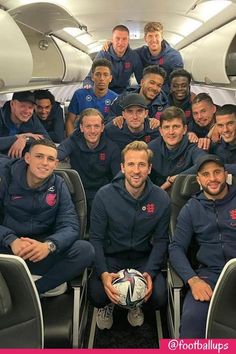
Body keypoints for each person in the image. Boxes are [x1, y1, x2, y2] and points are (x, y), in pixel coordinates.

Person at [89, 141, 170, 330]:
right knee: (97, 295)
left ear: (149, 168)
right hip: (112, 257)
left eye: (142, 164)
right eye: (131, 164)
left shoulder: (161, 198)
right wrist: (103, 274)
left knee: (158, 297)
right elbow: (96, 239)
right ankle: (110, 304)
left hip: (142, 258)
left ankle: (135, 302)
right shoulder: (104, 195)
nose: (136, 170)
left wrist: (149, 272)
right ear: (122, 167)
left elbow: (161, 241)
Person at [0, 139, 94, 296]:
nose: (45, 163)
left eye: (50, 159)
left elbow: (70, 226)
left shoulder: (59, 184)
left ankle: (32, 292)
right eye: (39, 156)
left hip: (42, 251)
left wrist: (49, 246)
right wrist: (11, 240)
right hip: (9, 252)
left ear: (55, 164)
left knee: (85, 250)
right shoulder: (5, 178)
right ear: (28, 158)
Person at [169, 154, 236, 338]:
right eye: (206, 174)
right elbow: (175, 248)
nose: (212, 178)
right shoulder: (191, 208)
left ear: (225, 174)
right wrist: (193, 280)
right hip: (209, 277)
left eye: (217, 172)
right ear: (198, 180)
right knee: (192, 321)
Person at [58, 108, 121, 218]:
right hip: (78, 191)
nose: (92, 131)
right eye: (88, 126)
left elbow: (118, 178)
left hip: (103, 192)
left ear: (102, 128)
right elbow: (59, 152)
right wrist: (52, 159)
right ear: (81, 128)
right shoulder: (73, 140)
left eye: (96, 126)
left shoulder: (112, 148)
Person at [148, 106, 206, 190]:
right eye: (166, 127)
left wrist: (176, 178)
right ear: (160, 131)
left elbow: (204, 164)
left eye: (176, 126)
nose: (171, 132)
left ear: (184, 129)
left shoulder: (193, 146)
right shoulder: (151, 148)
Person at [83, 25, 143, 94]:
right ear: (112, 39)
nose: (121, 43)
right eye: (117, 38)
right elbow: (89, 78)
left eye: (124, 39)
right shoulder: (103, 54)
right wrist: (88, 87)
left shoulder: (133, 57)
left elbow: (141, 81)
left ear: (128, 40)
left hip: (124, 93)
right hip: (105, 93)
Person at [66, 58, 117, 136]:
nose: (101, 78)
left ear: (110, 78)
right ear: (92, 77)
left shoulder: (115, 99)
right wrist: (71, 141)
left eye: (105, 75)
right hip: (81, 137)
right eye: (98, 74)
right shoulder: (79, 95)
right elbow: (70, 121)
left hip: (105, 139)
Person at [135, 22, 183, 95]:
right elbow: (126, 53)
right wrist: (112, 46)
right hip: (145, 93)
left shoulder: (174, 56)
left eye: (157, 36)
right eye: (150, 36)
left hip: (166, 95)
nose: (154, 40)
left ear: (162, 38)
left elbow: (178, 81)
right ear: (145, 39)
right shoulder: (140, 53)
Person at [0, 91, 50, 158]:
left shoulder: (32, 119)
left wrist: (25, 139)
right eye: (22, 106)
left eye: (30, 107)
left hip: (19, 162)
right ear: (12, 104)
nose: (27, 111)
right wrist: (17, 138)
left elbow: (47, 140)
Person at [210, 104, 236, 174]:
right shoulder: (216, 146)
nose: (225, 130)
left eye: (230, 124)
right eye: (220, 125)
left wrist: (214, 167)